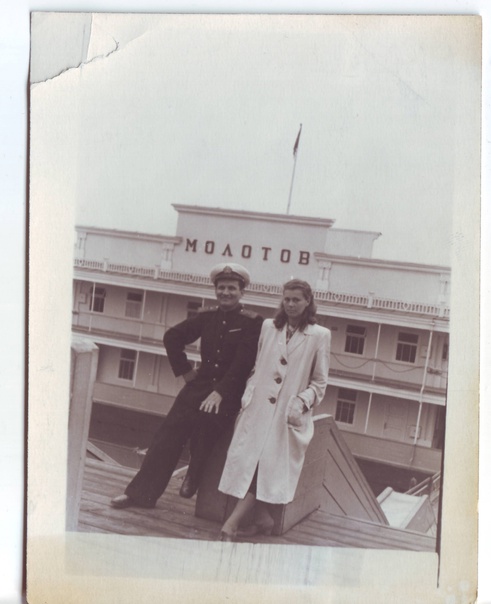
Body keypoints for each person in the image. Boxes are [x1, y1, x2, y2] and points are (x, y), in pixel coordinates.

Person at [110, 263, 263, 509]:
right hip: (199, 386)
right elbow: (172, 337)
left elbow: (242, 364)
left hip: (229, 391)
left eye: (231, 288)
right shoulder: (207, 317)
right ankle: (140, 495)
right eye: (221, 288)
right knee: (167, 436)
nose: (225, 292)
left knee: (207, 427)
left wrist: (220, 392)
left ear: (242, 292)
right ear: (215, 290)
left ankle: (194, 475)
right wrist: (185, 371)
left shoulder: (252, 323)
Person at [217, 279, 331, 540]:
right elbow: (258, 365)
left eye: (296, 300)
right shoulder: (269, 327)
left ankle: (231, 523)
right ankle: (263, 519)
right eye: (286, 299)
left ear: (308, 302)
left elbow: (320, 383)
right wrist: (249, 393)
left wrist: (300, 402)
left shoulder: (319, 335)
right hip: (257, 411)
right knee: (250, 463)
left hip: (286, 415)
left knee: (265, 467)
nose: (290, 304)